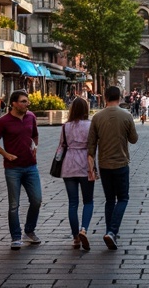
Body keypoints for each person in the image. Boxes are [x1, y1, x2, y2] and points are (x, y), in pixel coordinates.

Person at [0, 90, 42, 250]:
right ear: (14, 103)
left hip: (31, 166)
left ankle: (29, 231)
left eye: (27, 101)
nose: (27, 104)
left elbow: (35, 135)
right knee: (14, 204)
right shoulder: (4, 121)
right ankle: (16, 237)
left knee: (36, 200)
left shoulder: (31, 117)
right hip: (13, 169)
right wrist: (5, 154)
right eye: (24, 101)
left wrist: (35, 146)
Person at [89, 84, 138, 250]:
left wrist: (92, 167)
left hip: (104, 164)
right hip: (121, 162)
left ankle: (110, 232)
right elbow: (133, 139)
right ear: (120, 97)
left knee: (110, 200)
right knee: (123, 198)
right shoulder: (126, 115)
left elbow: (91, 145)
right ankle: (112, 231)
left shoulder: (97, 117)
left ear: (105, 97)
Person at [60, 97, 96, 250]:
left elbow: (61, 147)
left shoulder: (66, 126)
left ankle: (75, 237)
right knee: (88, 201)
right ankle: (84, 229)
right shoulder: (90, 125)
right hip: (85, 164)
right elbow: (93, 147)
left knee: (72, 203)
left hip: (68, 165)